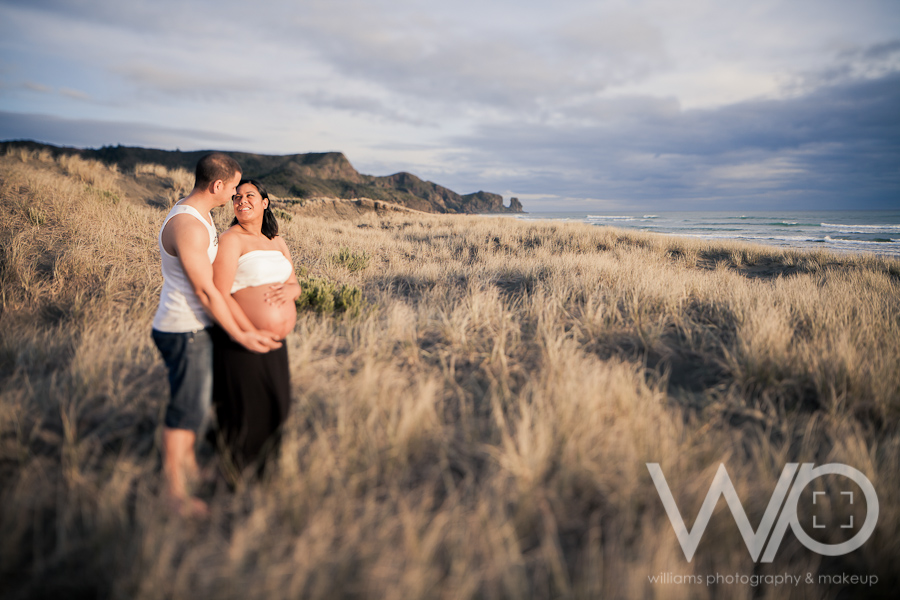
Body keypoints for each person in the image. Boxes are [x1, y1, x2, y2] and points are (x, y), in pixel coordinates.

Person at [151, 154, 282, 517]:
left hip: (196, 328)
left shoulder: (200, 214)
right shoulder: (189, 225)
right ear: (217, 186)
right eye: (233, 188)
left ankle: (190, 469)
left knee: (196, 404)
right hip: (183, 329)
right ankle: (171, 493)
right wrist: (242, 334)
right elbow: (206, 292)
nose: (235, 197)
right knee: (186, 409)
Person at [211, 178, 300, 475]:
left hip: (276, 342)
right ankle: (236, 478)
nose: (241, 200)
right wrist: (246, 332)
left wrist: (291, 292)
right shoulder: (230, 239)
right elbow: (220, 293)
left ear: (265, 202)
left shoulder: (276, 240)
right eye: (236, 197)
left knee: (278, 405)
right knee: (247, 412)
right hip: (242, 341)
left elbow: (294, 283)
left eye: (250, 195)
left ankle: (266, 474)